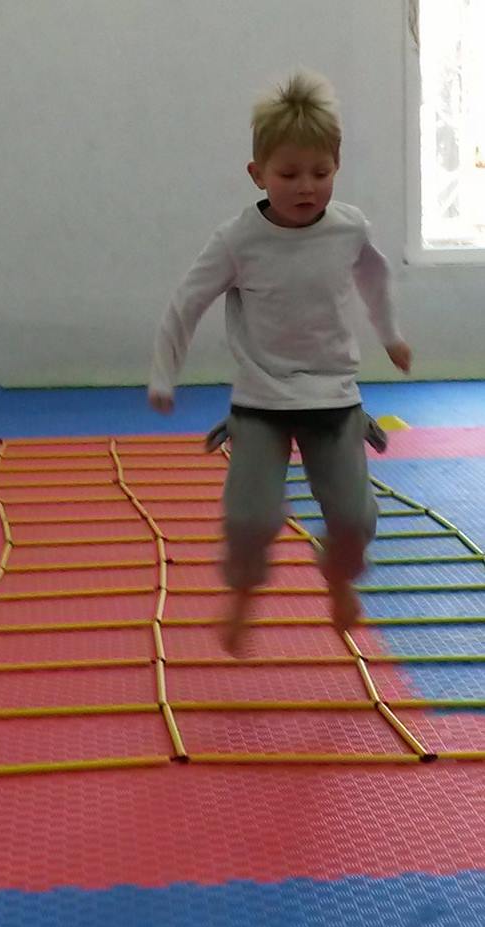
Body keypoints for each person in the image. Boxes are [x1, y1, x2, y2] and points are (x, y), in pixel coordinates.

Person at [148, 68, 412, 654]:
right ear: (258, 174)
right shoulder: (238, 240)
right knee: (248, 519)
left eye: (320, 173)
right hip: (261, 401)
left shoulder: (348, 229)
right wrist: (165, 373)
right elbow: (187, 301)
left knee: (356, 520)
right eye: (289, 174)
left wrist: (391, 336)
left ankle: (338, 578)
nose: (306, 187)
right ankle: (243, 592)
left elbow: (375, 277)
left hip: (333, 399)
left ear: (336, 168)